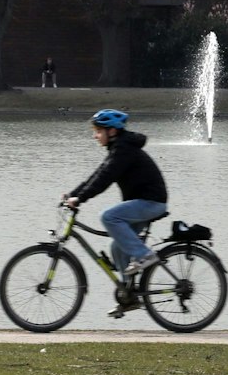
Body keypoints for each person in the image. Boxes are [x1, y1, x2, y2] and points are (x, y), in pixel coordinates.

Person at [63, 108, 168, 316]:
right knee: (117, 248)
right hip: (144, 202)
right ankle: (129, 295)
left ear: (111, 131)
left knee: (109, 216)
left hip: (151, 202)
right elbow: (98, 175)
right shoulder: (118, 149)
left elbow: (106, 178)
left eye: (98, 131)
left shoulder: (124, 150)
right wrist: (73, 194)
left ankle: (144, 255)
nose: (95, 135)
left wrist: (81, 198)